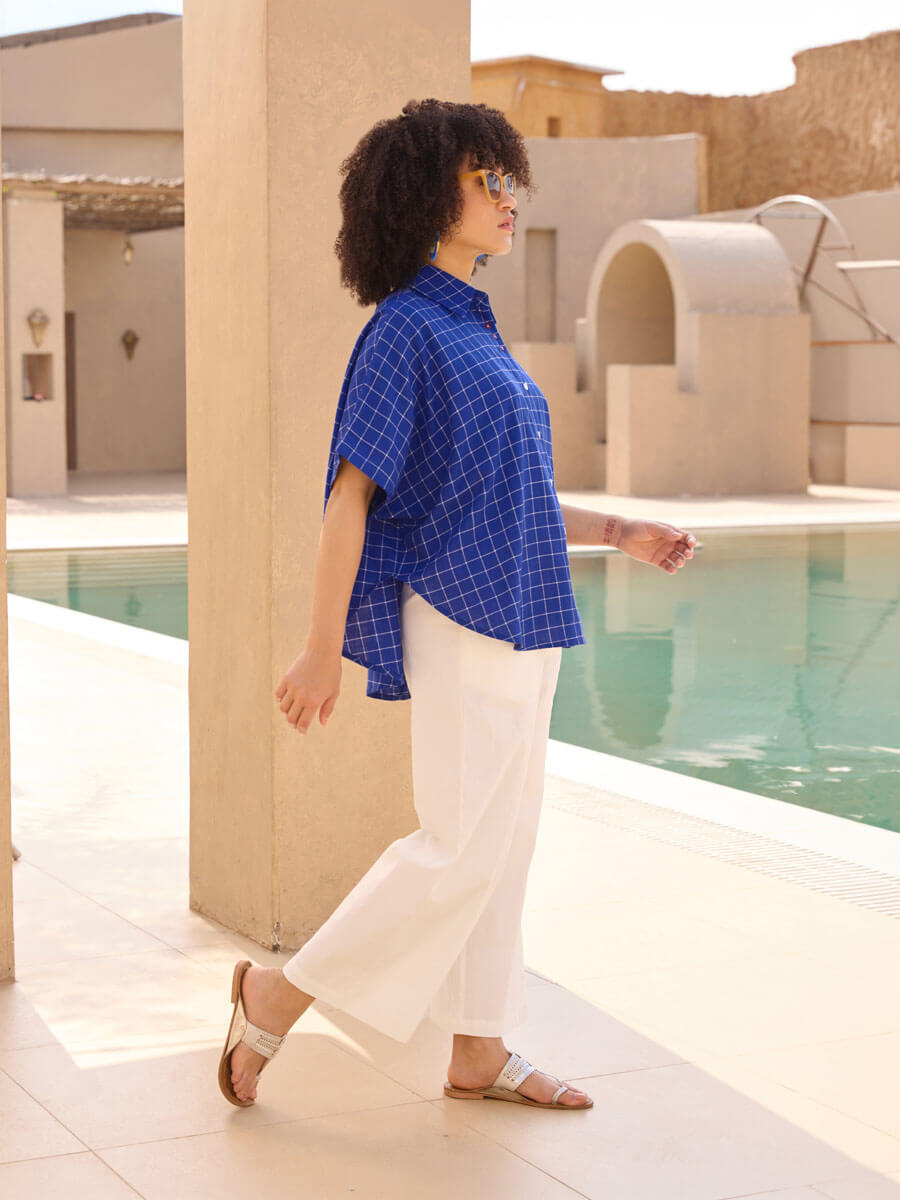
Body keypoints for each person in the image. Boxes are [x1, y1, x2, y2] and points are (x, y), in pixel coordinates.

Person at [218, 98, 697, 1111]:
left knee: (504, 845)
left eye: (506, 177)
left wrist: (620, 531)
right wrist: (320, 647)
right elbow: (349, 496)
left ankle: (480, 1047)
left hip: (528, 616)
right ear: (429, 196)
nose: (508, 196)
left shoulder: (474, 329)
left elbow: (507, 495)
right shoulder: (404, 329)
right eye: (488, 180)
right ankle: (275, 994)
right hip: (462, 618)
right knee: (453, 848)